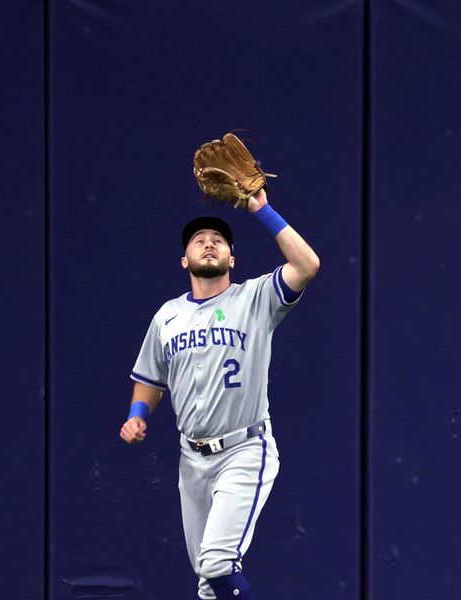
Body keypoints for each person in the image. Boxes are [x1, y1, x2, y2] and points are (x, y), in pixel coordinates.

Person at [119, 189, 319, 600]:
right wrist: (138, 413)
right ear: (184, 260)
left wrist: (261, 210)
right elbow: (150, 379)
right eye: (198, 239)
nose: (208, 242)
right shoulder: (167, 316)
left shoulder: (255, 298)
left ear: (231, 259)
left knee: (217, 562)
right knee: (208, 582)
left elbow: (307, 264)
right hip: (191, 459)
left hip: (243, 449)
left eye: (218, 240)